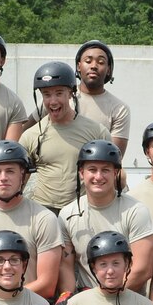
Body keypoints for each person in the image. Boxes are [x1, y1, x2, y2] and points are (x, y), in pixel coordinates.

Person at [0, 141, 68, 301]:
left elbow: (46, 284)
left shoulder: (44, 218)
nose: (3, 178)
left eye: (10, 171)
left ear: (22, 174)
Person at [59, 140, 153, 293]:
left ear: (116, 173)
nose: (98, 177)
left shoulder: (136, 211)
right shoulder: (67, 214)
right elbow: (66, 266)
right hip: (86, 301)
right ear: (81, 173)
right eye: (92, 169)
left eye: (105, 170)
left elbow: (142, 269)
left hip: (127, 300)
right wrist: (69, 296)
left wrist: (104, 296)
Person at [20, 60, 107, 211]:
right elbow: (18, 181)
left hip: (82, 210)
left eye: (59, 93)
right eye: (46, 95)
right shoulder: (30, 136)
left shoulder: (97, 132)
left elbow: (114, 175)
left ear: (71, 93)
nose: (53, 101)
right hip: (42, 212)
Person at [74, 40, 131, 153]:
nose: (94, 66)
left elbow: (113, 155)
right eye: (88, 61)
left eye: (100, 62)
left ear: (109, 69)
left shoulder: (119, 109)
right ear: (78, 66)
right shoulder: (61, 98)